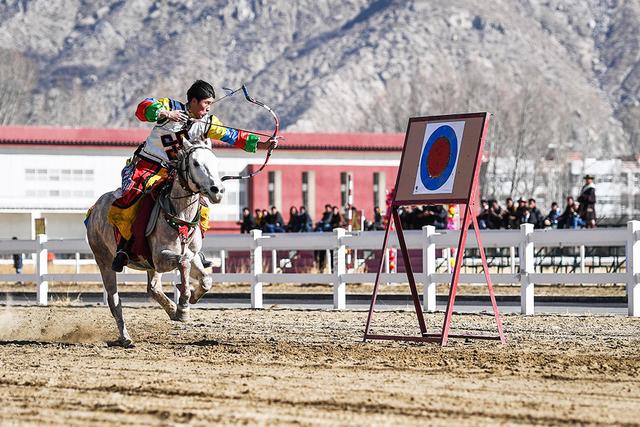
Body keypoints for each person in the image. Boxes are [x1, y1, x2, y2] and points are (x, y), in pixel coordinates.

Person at [109, 80, 270, 272]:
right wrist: (166, 114)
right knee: (132, 198)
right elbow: (143, 108)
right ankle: (124, 247)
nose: (209, 108)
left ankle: (194, 249)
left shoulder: (207, 123)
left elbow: (233, 135)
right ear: (193, 101)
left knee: (200, 205)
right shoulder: (170, 107)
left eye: (211, 104)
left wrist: (265, 145)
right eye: (206, 103)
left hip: (173, 174)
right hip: (147, 166)